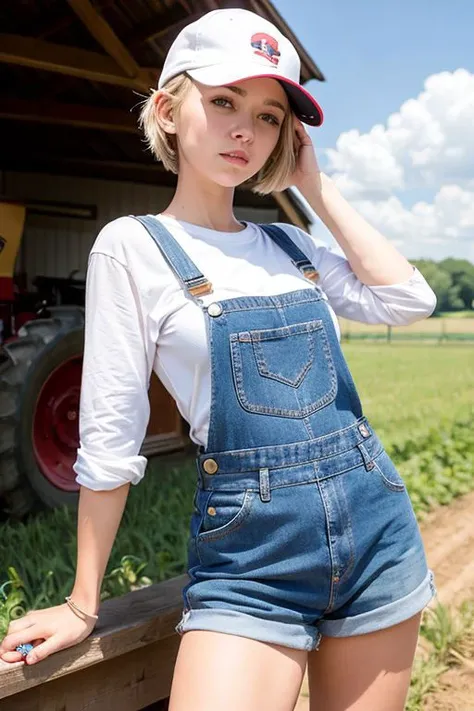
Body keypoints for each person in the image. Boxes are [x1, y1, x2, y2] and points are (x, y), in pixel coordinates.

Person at [0, 8, 437, 710]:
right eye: (224, 101)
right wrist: (83, 602)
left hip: (376, 528)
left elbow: (408, 298)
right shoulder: (133, 246)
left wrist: (314, 188)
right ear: (170, 109)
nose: (245, 130)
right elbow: (109, 439)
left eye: (269, 117)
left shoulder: (291, 248)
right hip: (253, 555)